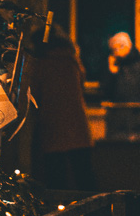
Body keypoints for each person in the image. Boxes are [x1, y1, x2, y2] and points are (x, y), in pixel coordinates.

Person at [27, 22, 97, 190]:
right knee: (84, 181)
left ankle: (60, 214)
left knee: (57, 183)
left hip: (52, 128)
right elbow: (81, 83)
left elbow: (33, 95)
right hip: (78, 128)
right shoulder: (71, 60)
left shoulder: (41, 64)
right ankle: (90, 215)